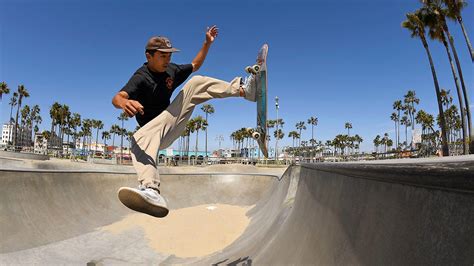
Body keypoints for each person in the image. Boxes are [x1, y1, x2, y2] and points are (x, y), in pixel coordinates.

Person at [112, 25, 257, 218]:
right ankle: (151, 190)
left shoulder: (171, 70)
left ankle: (243, 90)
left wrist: (206, 43)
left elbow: (195, 64)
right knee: (138, 137)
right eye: (162, 56)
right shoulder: (141, 76)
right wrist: (124, 102)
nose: (167, 60)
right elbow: (117, 97)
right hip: (152, 133)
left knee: (195, 82)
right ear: (149, 56)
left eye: (169, 55)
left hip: (172, 120)